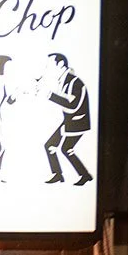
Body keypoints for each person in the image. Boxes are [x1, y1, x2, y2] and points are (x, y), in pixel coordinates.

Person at [43, 52, 91, 187]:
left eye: (49, 65)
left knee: (66, 149)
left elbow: (72, 105)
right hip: (70, 121)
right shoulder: (64, 80)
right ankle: (58, 174)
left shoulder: (75, 82)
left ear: (60, 64)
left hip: (78, 121)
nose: (47, 69)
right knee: (50, 146)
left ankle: (84, 175)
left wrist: (50, 95)